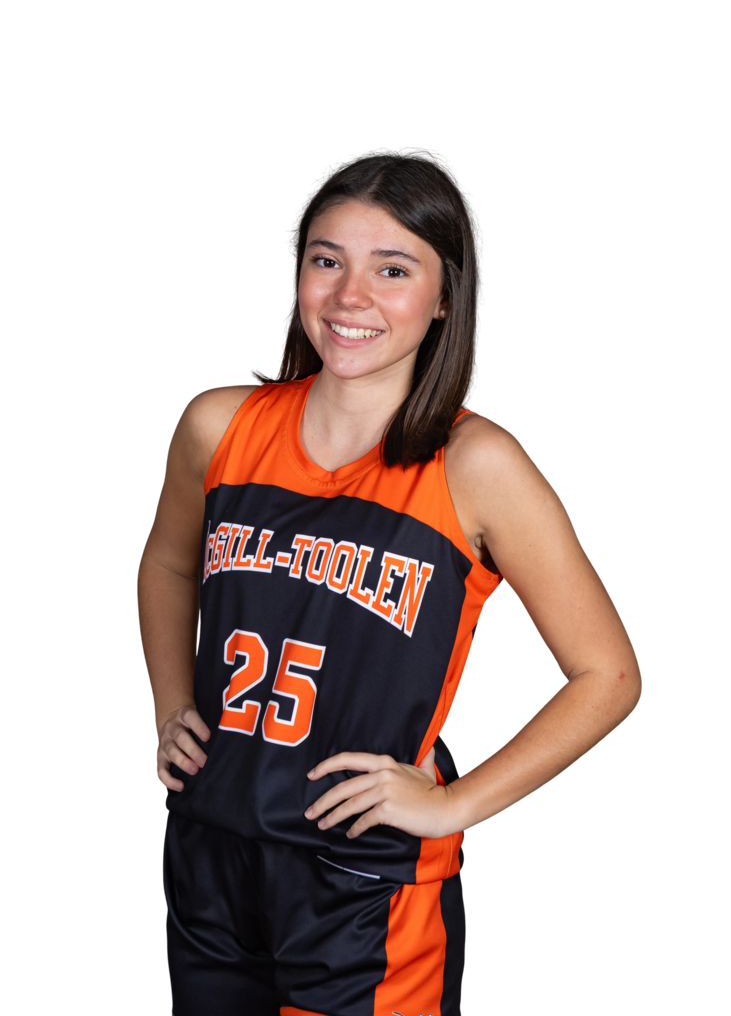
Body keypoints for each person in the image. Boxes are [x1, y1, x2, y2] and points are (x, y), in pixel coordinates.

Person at [137, 147, 643, 1016]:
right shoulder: (216, 424)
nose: (350, 297)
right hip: (209, 846)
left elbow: (608, 675)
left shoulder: (476, 463)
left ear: (445, 296)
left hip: (363, 879)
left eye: (393, 269)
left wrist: (454, 806)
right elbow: (168, 562)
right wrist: (169, 704)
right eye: (326, 260)